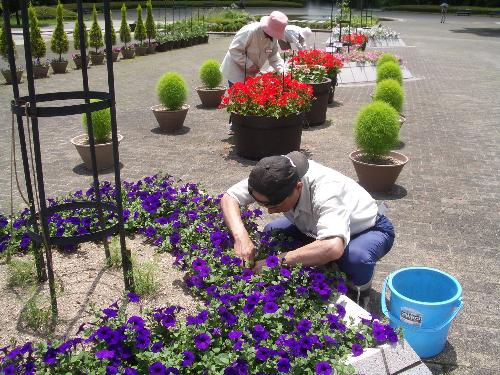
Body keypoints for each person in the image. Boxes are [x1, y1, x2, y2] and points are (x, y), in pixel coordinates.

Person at [221, 151, 395, 308]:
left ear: (298, 187)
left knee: (356, 258)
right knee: (273, 230)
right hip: (313, 228)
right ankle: (324, 267)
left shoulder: (327, 189)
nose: (270, 211)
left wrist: (272, 262)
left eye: (275, 205)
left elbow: (332, 246)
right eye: (262, 204)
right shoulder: (271, 174)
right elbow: (230, 197)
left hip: (368, 229)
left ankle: (360, 291)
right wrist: (241, 238)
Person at [220, 10, 288, 86]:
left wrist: (282, 71)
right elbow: (234, 50)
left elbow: (274, 57)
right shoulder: (250, 31)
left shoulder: (274, 37)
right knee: (237, 96)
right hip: (236, 71)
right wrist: (250, 65)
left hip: (252, 73)